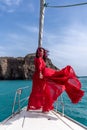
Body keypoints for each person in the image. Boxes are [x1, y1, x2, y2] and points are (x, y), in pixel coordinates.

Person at [27, 47, 84, 112]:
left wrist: (41, 74)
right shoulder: (39, 59)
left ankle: (38, 106)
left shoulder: (41, 59)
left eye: (42, 51)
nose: (40, 52)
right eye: (39, 51)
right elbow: (39, 67)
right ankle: (33, 107)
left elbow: (40, 67)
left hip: (42, 76)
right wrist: (40, 74)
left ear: (43, 53)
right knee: (37, 91)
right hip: (39, 76)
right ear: (37, 52)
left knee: (42, 90)